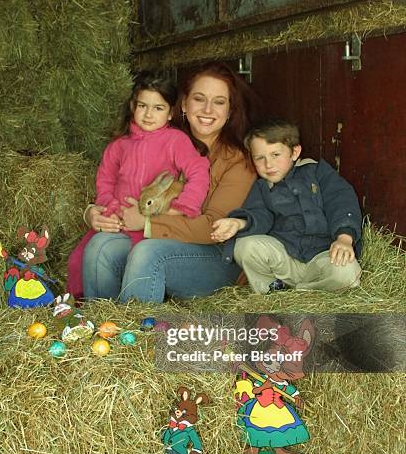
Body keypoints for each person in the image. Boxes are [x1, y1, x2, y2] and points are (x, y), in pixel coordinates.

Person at [79, 62, 261, 302]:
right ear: (183, 105)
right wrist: (95, 212)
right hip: (161, 241)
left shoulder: (238, 162)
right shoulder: (164, 140)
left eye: (219, 102)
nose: (207, 109)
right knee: (102, 245)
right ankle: (101, 329)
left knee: (148, 251)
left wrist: (147, 224)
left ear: (230, 111)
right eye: (199, 99)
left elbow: (213, 227)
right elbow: (126, 184)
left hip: (216, 257)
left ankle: (135, 335)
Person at [67, 70, 210, 298]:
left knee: (114, 253)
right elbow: (105, 180)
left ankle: (127, 318)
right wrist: (110, 207)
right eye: (143, 106)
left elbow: (199, 170)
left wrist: (182, 207)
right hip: (120, 223)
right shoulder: (119, 145)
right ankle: (97, 314)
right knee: (83, 258)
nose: (149, 114)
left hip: (151, 227)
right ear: (133, 105)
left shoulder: (175, 141)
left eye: (158, 108)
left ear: (171, 113)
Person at [211, 119, 362, 292]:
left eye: (275, 155)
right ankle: (273, 290)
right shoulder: (261, 188)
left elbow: (341, 201)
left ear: (294, 152)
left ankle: (301, 294)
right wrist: (238, 223)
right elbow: (259, 215)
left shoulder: (318, 172)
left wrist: (344, 238)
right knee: (245, 246)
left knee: (348, 274)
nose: (268, 164)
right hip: (285, 259)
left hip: (323, 256)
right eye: (260, 158)